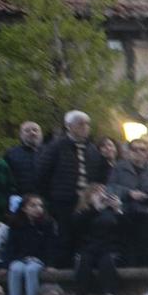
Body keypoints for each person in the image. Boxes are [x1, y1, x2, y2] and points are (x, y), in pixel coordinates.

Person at [36, 113, 107, 264]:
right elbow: (42, 174)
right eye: (80, 124)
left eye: (87, 124)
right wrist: (49, 198)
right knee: (64, 235)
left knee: (84, 233)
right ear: (69, 126)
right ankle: (63, 269)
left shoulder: (92, 149)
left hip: (86, 201)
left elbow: (98, 175)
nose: (85, 128)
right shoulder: (55, 147)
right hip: (63, 200)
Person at [5, 196, 53, 295]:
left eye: (40, 206)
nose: (38, 209)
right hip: (20, 258)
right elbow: (11, 246)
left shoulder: (47, 224)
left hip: (38, 260)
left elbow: (50, 246)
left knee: (31, 270)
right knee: (15, 269)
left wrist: (50, 263)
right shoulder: (16, 225)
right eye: (33, 205)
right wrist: (6, 264)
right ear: (24, 209)